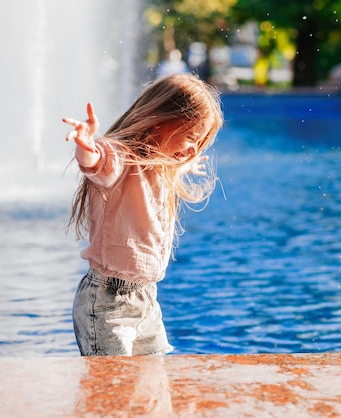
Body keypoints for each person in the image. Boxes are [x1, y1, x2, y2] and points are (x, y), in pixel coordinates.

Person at [62, 73, 223, 356]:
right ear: (161, 121)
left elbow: (163, 167)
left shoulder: (162, 165)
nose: (193, 150)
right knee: (111, 389)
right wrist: (86, 146)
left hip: (146, 300)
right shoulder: (120, 158)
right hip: (107, 303)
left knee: (151, 387)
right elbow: (98, 163)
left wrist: (186, 165)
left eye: (200, 145)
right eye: (191, 138)